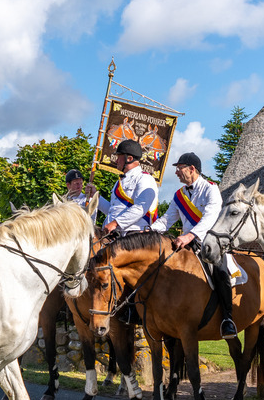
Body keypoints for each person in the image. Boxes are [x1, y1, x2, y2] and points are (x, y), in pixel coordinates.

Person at [151, 152, 237, 339]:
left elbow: (210, 217)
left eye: (179, 168)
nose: (176, 172)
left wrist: (190, 235)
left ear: (192, 169)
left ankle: (227, 319)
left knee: (220, 272)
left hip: (209, 244)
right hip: (185, 243)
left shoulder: (210, 189)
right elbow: (167, 220)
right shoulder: (179, 195)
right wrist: (149, 231)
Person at [90, 139, 159, 236]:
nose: (116, 160)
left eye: (119, 157)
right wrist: (95, 196)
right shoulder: (119, 182)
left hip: (134, 235)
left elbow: (140, 208)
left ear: (129, 158)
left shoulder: (145, 179)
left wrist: (115, 223)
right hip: (115, 234)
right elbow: (112, 210)